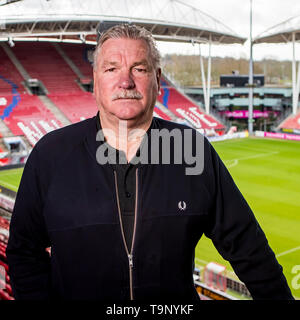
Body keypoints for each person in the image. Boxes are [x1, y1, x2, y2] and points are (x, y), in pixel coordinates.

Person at [6, 24, 294, 301]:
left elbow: (250, 249)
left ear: (157, 79)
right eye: (111, 68)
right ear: (95, 81)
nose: (126, 81)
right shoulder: (51, 155)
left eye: (139, 69)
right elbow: (24, 252)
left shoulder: (192, 150)